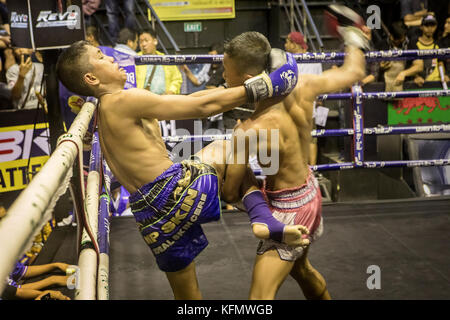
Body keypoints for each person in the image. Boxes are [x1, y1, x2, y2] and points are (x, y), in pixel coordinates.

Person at [56, 40, 304, 299]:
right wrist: (265, 86)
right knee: (225, 145)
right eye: (101, 57)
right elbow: (201, 108)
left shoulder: (103, 108)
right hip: (172, 191)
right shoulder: (121, 99)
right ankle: (260, 215)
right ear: (91, 77)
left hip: (150, 217)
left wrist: (233, 89)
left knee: (187, 296)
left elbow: (191, 98)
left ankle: (258, 214)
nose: (111, 58)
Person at [221, 9, 367, 300]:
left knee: (259, 299)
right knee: (301, 271)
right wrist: (354, 37)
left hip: (290, 213)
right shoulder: (303, 86)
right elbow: (354, 71)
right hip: (310, 192)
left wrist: (223, 167)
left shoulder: (249, 130)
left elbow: (228, 193)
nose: (223, 76)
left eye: (226, 72)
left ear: (248, 79)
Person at [284, 31, 323, 166]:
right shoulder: (315, 59)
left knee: (297, 139)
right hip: (309, 107)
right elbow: (319, 84)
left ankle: (302, 172)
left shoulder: (289, 61)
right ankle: (311, 170)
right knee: (310, 139)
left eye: (288, 41)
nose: (285, 44)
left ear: (294, 44)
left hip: (294, 108)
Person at [395, 13, 442, 88]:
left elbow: (440, 63)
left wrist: (443, 76)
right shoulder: (413, 43)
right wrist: (416, 77)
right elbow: (414, 64)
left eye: (432, 25)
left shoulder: (439, 44)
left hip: (436, 83)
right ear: (421, 27)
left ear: (436, 26)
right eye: (427, 25)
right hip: (419, 84)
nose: (430, 28)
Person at [136, 28, 182, 95]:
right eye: (141, 42)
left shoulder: (165, 59)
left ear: (155, 41)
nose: (143, 44)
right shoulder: (136, 59)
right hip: (143, 100)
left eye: (146, 40)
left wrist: (171, 91)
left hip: (164, 100)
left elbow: (177, 79)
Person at [381, 21, 409, 92]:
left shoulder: (411, 44)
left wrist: (404, 73)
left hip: (407, 83)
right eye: (394, 38)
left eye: (400, 39)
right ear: (390, 34)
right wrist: (380, 66)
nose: (397, 41)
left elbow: (418, 66)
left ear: (405, 36)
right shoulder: (381, 45)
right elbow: (373, 66)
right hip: (384, 84)